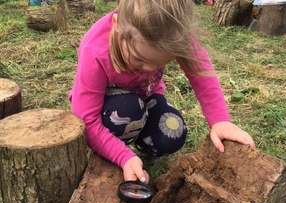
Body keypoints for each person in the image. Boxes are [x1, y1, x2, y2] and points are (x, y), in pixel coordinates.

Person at [69, 0, 255, 184]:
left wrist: (220, 120)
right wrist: (123, 156)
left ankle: (143, 149)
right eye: (139, 59)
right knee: (127, 110)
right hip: (109, 110)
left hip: (146, 98)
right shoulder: (95, 51)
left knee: (172, 132)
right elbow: (86, 119)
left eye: (160, 62)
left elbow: (202, 75)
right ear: (118, 27)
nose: (149, 68)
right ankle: (111, 149)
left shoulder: (174, 32)